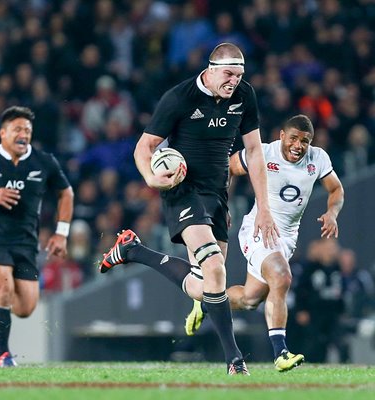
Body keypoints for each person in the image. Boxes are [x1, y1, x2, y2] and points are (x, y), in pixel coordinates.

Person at [99, 43, 279, 375]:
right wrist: (153, 180)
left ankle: (134, 251)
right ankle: (234, 360)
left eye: (239, 76)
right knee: (213, 267)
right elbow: (145, 146)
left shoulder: (245, 95)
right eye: (228, 74)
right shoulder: (180, 98)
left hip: (217, 193)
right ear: (210, 69)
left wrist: (263, 206)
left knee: (209, 283)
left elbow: (254, 152)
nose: (233, 82)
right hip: (182, 190)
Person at [185, 114, 344, 371]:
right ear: (282, 136)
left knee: (250, 299)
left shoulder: (318, 158)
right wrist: (219, 204)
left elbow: (336, 189)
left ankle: (206, 300)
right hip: (259, 229)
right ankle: (280, 352)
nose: (298, 145)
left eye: (305, 141)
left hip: (286, 239)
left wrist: (332, 213)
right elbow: (228, 166)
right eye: (293, 138)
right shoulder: (264, 153)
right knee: (281, 277)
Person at [0, 106, 74, 367]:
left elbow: (66, 193)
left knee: (25, 307)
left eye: (28, 131)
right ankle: (3, 355)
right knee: (4, 289)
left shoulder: (44, 161)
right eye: (18, 129)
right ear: (3, 133)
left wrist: (61, 233)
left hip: (26, 242)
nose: (24, 135)